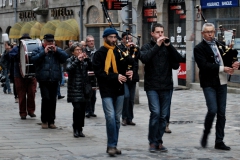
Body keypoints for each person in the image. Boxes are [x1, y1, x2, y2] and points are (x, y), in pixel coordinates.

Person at [139, 23, 182, 152]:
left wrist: (170, 47)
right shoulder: (146, 46)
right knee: (156, 113)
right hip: (152, 86)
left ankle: (159, 141)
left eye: (162, 32)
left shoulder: (167, 47)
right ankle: (152, 142)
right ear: (152, 33)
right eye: (158, 32)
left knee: (163, 116)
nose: (160, 35)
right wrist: (157, 46)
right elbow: (145, 59)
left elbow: (178, 62)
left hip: (166, 86)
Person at [92, 28, 133, 156]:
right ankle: (111, 146)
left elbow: (129, 64)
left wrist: (130, 70)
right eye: (111, 37)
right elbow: (99, 73)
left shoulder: (120, 51)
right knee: (110, 117)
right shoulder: (99, 53)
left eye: (115, 37)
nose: (113, 40)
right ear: (105, 38)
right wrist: (115, 76)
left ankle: (113, 144)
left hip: (119, 89)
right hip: (106, 90)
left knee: (116, 119)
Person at [194, 23, 234, 150]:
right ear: (202, 33)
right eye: (207, 32)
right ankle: (206, 133)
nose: (210, 34)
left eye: (212, 31)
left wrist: (234, 64)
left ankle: (219, 141)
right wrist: (223, 68)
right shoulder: (199, 48)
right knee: (213, 110)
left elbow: (228, 59)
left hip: (222, 82)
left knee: (221, 113)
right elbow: (204, 66)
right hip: (209, 83)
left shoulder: (220, 44)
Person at [31, 34, 68, 129]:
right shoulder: (38, 50)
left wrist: (57, 51)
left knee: (53, 100)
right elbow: (34, 60)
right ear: (44, 42)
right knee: (46, 99)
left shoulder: (57, 50)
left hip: (54, 78)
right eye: (48, 42)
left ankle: (51, 121)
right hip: (43, 78)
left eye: (52, 42)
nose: (50, 43)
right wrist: (44, 52)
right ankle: (44, 120)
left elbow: (65, 57)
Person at [9, 34, 37, 120]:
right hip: (19, 75)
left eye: (27, 39)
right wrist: (20, 52)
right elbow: (10, 56)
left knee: (32, 93)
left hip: (31, 75)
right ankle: (23, 113)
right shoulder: (16, 49)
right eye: (24, 39)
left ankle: (31, 111)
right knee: (21, 95)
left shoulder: (33, 48)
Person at [66, 42, 91, 138]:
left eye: (80, 50)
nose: (79, 51)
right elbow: (69, 69)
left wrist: (88, 59)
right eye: (77, 50)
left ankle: (80, 129)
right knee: (77, 109)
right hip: (74, 89)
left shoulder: (84, 61)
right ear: (73, 52)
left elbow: (92, 67)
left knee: (82, 110)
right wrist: (77, 60)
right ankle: (75, 128)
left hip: (84, 89)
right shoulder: (70, 60)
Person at [118, 32, 139, 126]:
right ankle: (124, 117)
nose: (129, 40)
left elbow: (136, 63)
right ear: (122, 39)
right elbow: (121, 62)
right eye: (127, 38)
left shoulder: (134, 49)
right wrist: (126, 49)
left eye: (130, 38)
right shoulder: (120, 49)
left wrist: (133, 72)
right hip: (123, 76)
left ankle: (130, 118)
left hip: (132, 77)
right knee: (125, 96)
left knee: (131, 98)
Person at [84, 35, 97, 118]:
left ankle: (92, 110)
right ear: (86, 43)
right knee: (87, 93)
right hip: (86, 75)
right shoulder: (84, 52)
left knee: (94, 95)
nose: (91, 42)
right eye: (89, 41)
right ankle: (87, 111)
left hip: (94, 76)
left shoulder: (97, 51)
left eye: (92, 40)